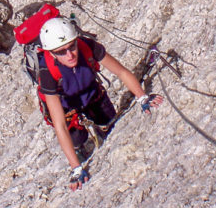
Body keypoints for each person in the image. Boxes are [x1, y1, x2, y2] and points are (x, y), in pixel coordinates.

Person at [39, 17, 163, 190]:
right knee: (77, 139)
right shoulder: (47, 72)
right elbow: (59, 124)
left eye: (71, 47)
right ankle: (79, 149)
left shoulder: (87, 46)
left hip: (91, 93)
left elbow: (120, 71)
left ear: (76, 41)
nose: (70, 55)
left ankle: (99, 131)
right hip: (67, 108)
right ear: (51, 53)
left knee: (109, 124)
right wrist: (76, 169)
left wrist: (142, 97)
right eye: (61, 52)